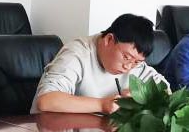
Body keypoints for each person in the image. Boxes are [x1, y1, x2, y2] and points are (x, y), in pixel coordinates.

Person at [31, 14, 167, 115]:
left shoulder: (135, 63)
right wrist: (102, 105)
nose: (128, 67)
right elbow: (46, 100)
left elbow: (166, 91)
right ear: (109, 39)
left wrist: (143, 95)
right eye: (126, 57)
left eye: (136, 62)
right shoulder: (77, 54)